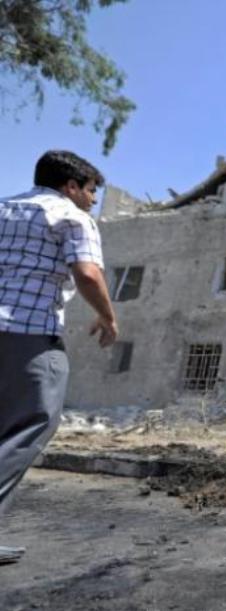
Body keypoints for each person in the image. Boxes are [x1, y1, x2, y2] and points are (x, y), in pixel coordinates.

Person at [0, 150, 118, 565]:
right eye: (90, 192)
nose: (92, 201)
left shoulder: (3, 208)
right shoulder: (71, 217)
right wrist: (108, 317)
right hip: (28, 333)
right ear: (71, 187)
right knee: (31, 423)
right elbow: (87, 273)